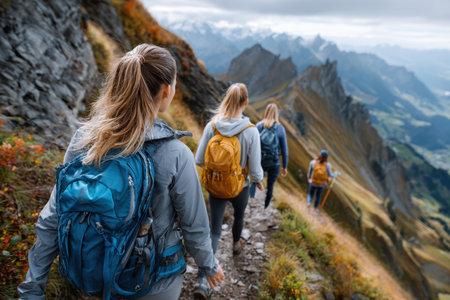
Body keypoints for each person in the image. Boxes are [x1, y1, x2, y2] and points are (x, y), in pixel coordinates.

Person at [17, 44, 224, 300]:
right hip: (155, 281)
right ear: (167, 91)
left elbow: (53, 216)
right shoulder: (175, 153)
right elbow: (195, 228)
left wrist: (32, 289)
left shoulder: (85, 139)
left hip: (96, 269)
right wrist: (209, 266)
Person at [194, 83, 264, 299]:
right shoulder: (250, 131)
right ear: (246, 102)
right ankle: (236, 245)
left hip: (216, 186)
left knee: (214, 231)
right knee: (239, 216)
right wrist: (259, 181)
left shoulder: (212, 126)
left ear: (227, 99)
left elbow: (199, 159)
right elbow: (254, 168)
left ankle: (202, 281)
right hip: (240, 187)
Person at [249, 103, 288, 209]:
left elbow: (253, 145)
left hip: (260, 160)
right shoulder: (280, 129)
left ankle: (251, 199)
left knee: (255, 179)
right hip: (274, 162)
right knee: (270, 185)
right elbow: (284, 150)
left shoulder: (259, 126)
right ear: (276, 114)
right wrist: (284, 167)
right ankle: (265, 207)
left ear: (266, 112)